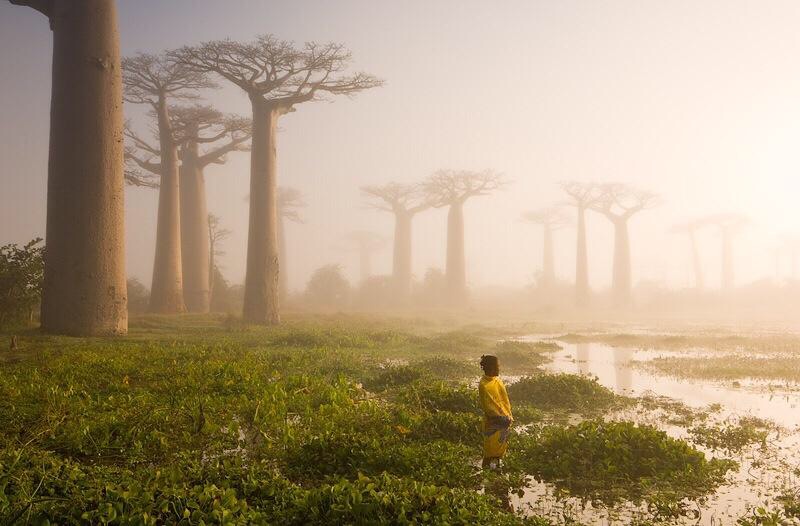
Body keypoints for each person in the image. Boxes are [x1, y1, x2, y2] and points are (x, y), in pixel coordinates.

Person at [478, 354, 513, 469]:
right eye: (497, 366)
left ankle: (495, 475)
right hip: (493, 422)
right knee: (489, 452)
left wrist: (508, 416)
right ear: (491, 368)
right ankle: (487, 475)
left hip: (504, 420)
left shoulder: (497, 380)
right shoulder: (484, 384)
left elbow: (504, 400)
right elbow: (488, 406)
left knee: (499, 452)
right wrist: (500, 417)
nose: (499, 368)